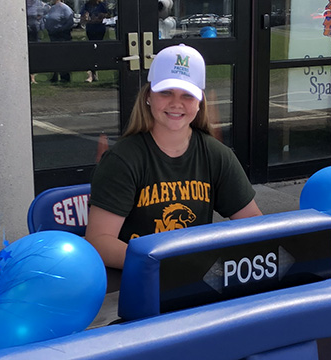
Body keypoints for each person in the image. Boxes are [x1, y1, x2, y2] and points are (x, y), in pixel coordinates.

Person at [86, 44, 262, 269]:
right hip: (136, 280)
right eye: (166, 92)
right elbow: (99, 241)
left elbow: (254, 223)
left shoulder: (216, 155)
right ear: (149, 96)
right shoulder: (123, 160)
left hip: (195, 279)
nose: (176, 103)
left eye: (187, 95)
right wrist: (166, 266)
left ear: (199, 103)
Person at [43, 0, 74, 82]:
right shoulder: (51, 8)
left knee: (63, 56)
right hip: (52, 35)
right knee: (54, 56)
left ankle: (65, 77)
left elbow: (70, 22)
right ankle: (54, 76)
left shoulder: (65, 8)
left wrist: (61, 29)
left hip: (62, 36)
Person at [80, 0, 108, 81]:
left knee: (98, 50)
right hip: (90, 29)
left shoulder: (102, 5)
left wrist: (100, 17)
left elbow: (107, 15)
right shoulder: (86, 6)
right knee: (91, 51)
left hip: (99, 29)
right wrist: (85, 18)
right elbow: (83, 17)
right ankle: (92, 74)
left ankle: (95, 72)